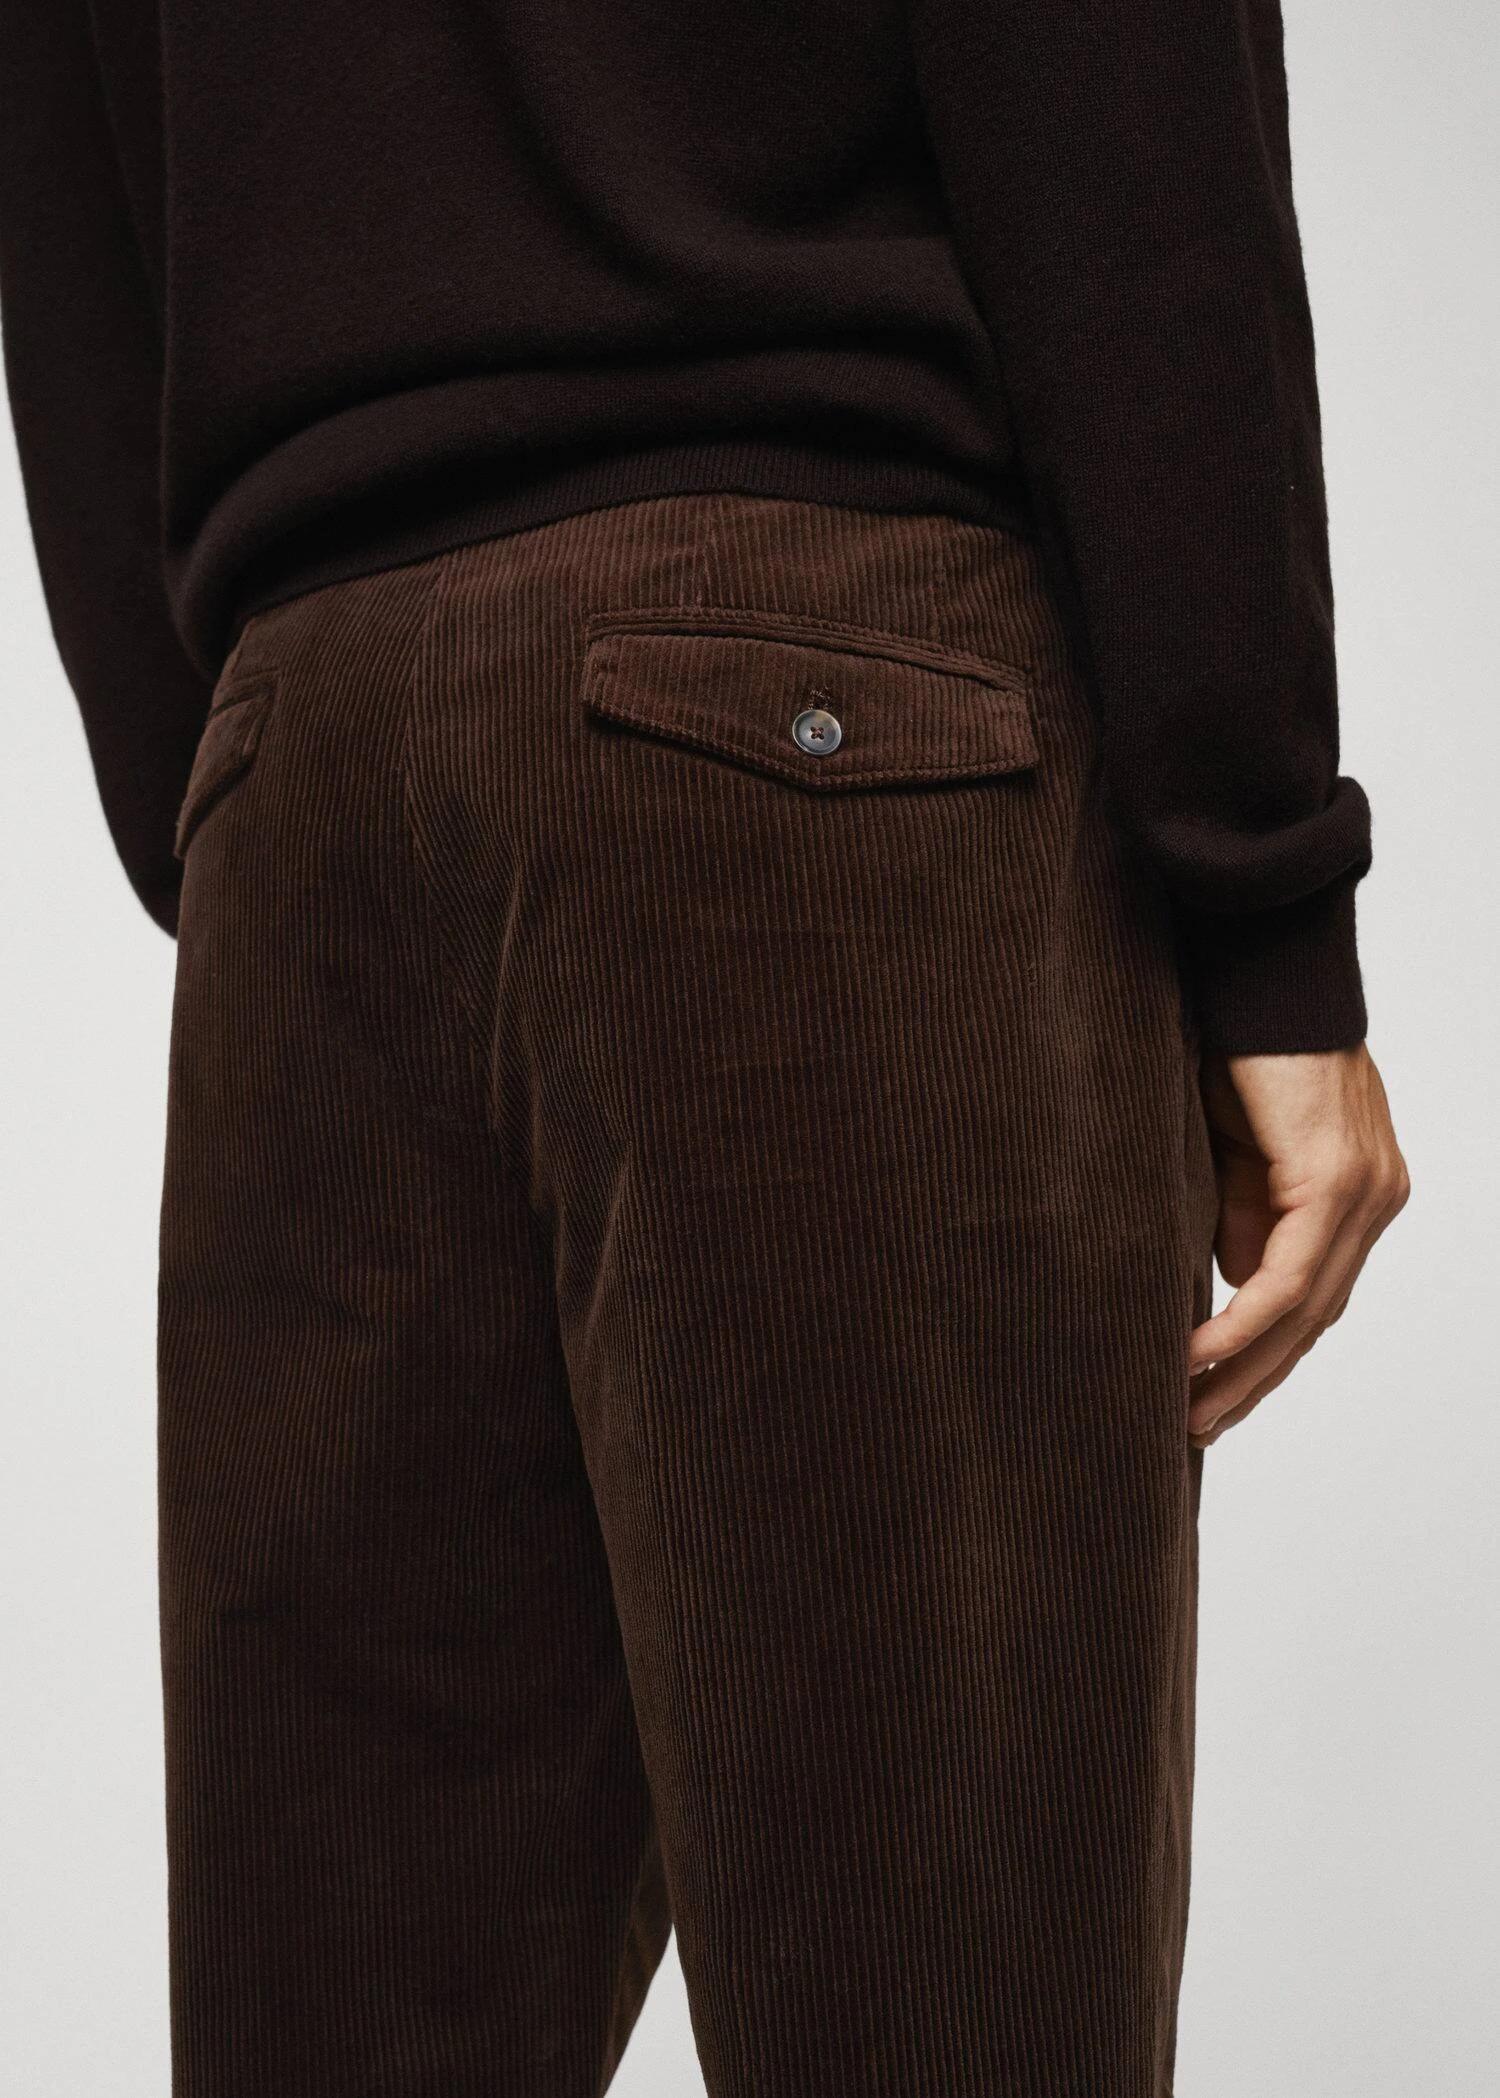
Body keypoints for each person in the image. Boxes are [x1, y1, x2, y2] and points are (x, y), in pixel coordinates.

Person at [0, 2, 1407, 2092]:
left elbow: (58, 165)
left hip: (305, 757)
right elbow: (1113, 93)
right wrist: (1263, 890)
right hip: (826, 700)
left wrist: (232, 789)